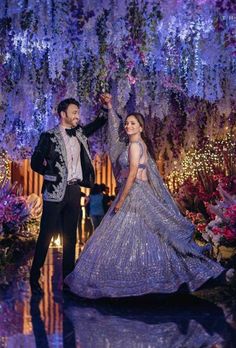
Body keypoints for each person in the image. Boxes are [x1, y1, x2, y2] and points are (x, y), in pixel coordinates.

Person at [64, 94, 227, 299]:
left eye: (133, 123)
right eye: (127, 123)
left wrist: (121, 200)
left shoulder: (134, 146)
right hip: (136, 192)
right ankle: (151, 281)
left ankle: (138, 282)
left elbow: (132, 173)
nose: (128, 126)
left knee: (131, 235)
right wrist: (111, 107)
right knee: (143, 235)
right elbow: (116, 135)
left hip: (133, 193)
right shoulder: (137, 144)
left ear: (141, 127)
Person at [30, 97, 107, 295]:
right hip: (54, 192)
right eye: (74, 112)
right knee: (46, 234)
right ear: (63, 114)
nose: (77, 116)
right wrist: (51, 174)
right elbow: (36, 162)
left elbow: (98, 124)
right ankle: (34, 274)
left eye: (78, 112)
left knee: (70, 236)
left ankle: (68, 278)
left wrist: (106, 109)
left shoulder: (80, 133)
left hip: (74, 191)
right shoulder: (49, 136)